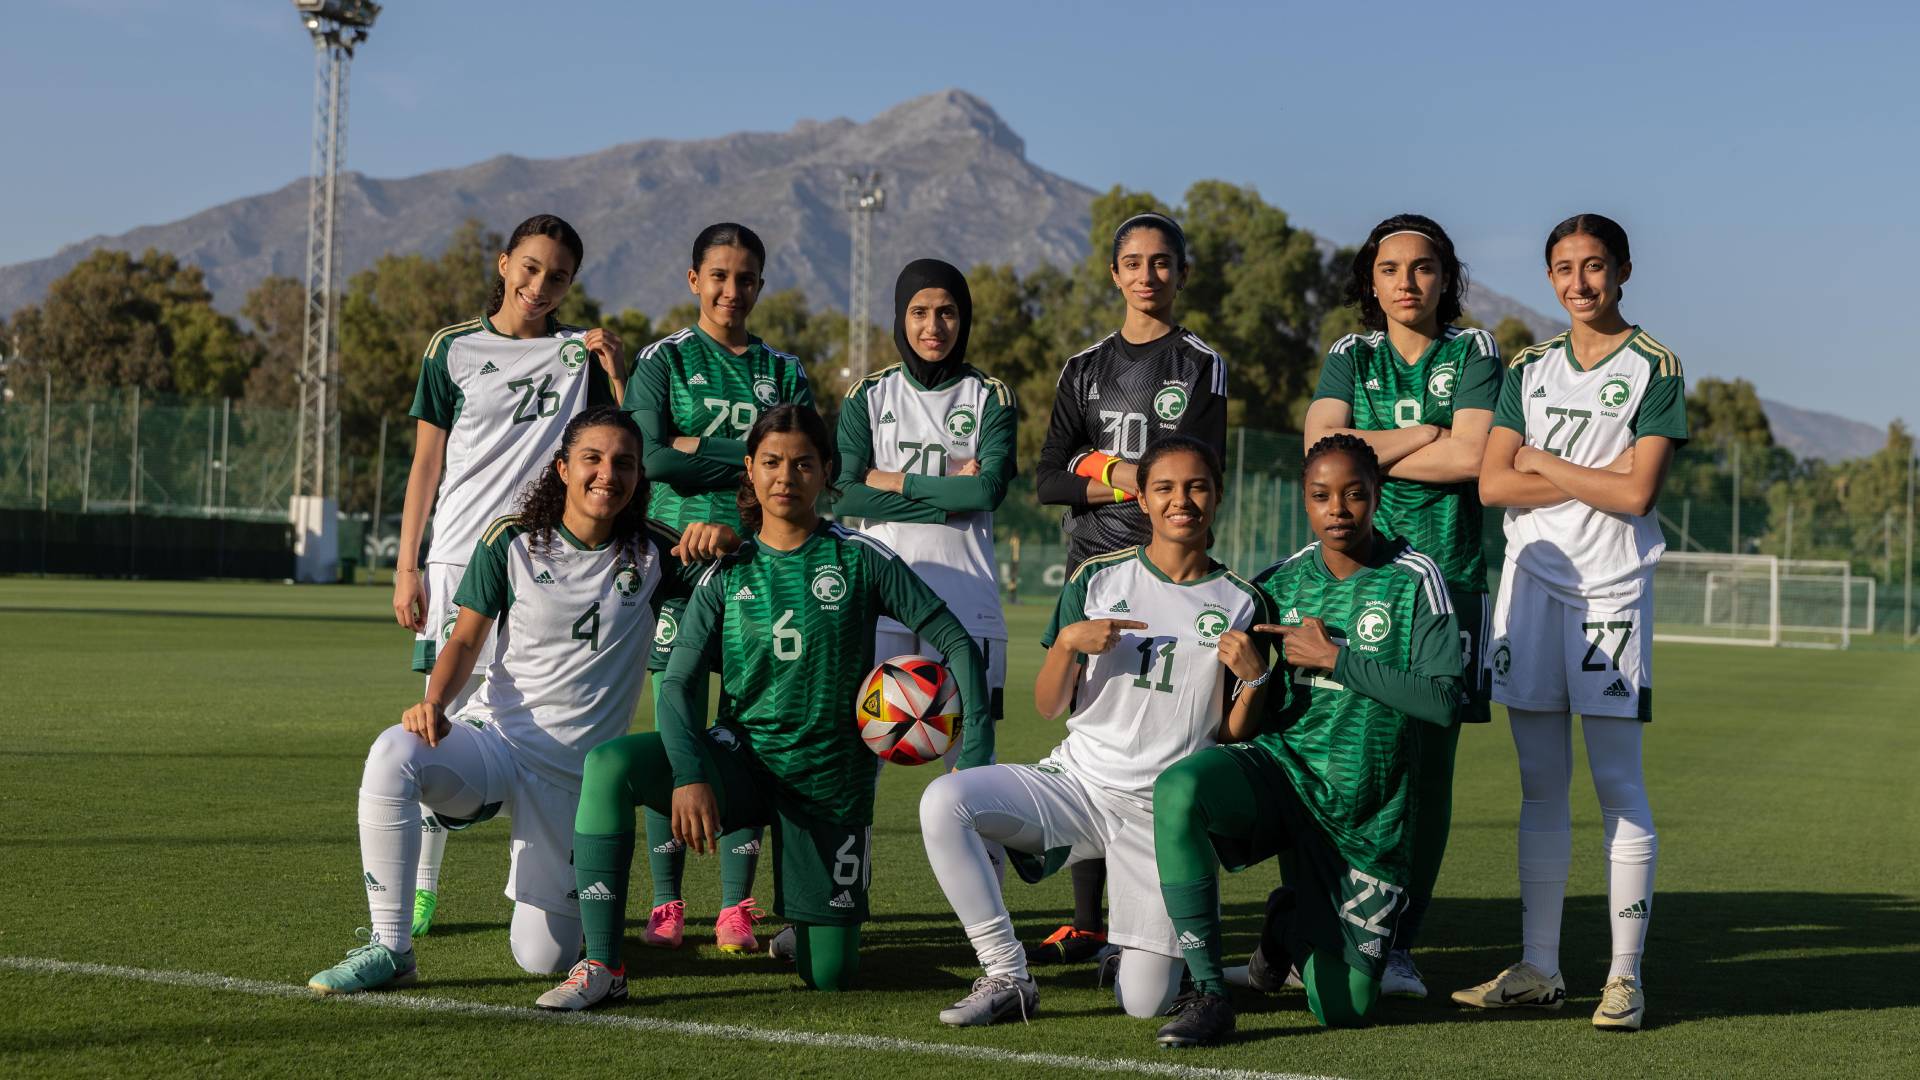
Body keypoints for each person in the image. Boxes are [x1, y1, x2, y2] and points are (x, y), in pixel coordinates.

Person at [536, 404, 994, 1010]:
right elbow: (676, 685)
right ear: (749, 470)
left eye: (803, 464)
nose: (786, 476)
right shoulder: (725, 573)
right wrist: (692, 774)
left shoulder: (861, 558)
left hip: (830, 779)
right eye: (772, 462)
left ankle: (806, 928)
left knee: (830, 976)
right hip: (741, 761)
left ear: (827, 472)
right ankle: (602, 965)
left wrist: (977, 754)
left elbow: (956, 640)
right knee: (610, 766)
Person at [308, 407, 703, 995]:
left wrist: (718, 540)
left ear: (640, 476)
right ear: (563, 467)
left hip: (578, 780)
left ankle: (467, 815)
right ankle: (391, 947)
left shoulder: (657, 554)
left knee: (542, 958)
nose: (607, 474)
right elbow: (465, 638)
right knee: (396, 753)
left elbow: (750, 575)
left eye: (624, 463)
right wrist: (435, 702)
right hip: (499, 741)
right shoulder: (512, 539)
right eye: (592, 459)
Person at [920, 436, 1272, 1027]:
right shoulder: (1097, 578)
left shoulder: (1242, 600)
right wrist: (1064, 644)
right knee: (944, 800)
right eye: (1164, 487)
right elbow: (1050, 704)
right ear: (1141, 498)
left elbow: (1232, 732)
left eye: (1196, 486)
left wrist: (1255, 679)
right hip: (1078, 784)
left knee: (1144, 1003)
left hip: (1161, 816)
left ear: (1218, 496)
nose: (1180, 500)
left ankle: (1129, 952)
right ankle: (1007, 974)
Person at [1150, 434, 1462, 1046]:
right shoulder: (1277, 585)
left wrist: (1335, 658)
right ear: (1305, 502)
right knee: (1181, 787)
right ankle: (1209, 992)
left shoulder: (1416, 578)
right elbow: (1243, 699)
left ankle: (1286, 928)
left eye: (1354, 494)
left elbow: (1444, 702)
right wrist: (1252, 677)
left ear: (1377, 497)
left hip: (1366, 819)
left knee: (1345, 1007)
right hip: (1285, 777)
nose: (1338, 509)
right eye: (1322, 496)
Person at [1454, 214, 1685, 1032]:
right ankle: (1540, 968)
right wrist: (1590, 470)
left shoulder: (1655, 366)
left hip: (1611, 592)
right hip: (1530, 589)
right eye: (1562, 268)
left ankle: (1624, 978)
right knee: (1540, 788)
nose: (1578, 283)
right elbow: (1490, 485)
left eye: (1593, 267)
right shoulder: (1529, 368)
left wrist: (1542, 462)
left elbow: (1636, 496)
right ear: (1550, 277)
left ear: (1622, 271)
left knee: (1619, 787)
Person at [388, 214, 626, 939]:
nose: (539, 285)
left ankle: (537, 879)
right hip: (459, 560)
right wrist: (408, 565)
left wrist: (617, 370)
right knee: (439, 725)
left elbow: (614, 445)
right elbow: (427, 463)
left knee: (529, 720)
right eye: (529, 267)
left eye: (557, 276)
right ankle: (422, 887)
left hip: (538, 570)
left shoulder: (578, 354)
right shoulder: (453, 350)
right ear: (502, 263)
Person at [1297, 213, 1501, 997]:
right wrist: (1424, 433)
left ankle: (1400, 945)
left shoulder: (1473, 350)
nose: (1406, 282)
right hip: (1355, 579)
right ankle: (1314, 925)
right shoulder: (1351, 355)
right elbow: (1324, 456)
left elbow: (1476, 456)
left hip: (1446, 586)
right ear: (1369, 282)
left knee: (1425, 771)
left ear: (1446, 278)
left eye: (1422, 268)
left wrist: (1370, 451)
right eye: (1390, 269)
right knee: (1339, 758)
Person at [1029, 211, 1229, 965]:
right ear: (1114, 274)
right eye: (1134, 264)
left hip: (1171, 576)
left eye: (1163, 263)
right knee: (1091, 738)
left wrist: (1115, 474)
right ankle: (1086, 919)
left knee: (1166, 746)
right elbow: (1048, 475)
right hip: (1094, 577)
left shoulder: (1200, 362)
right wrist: (1109, 473)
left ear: (1180, 272)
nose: (1148, 276)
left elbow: (1195, 469)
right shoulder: (1083, 367)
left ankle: (1155, 921)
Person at [623, 223, 814, 954]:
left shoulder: (784, 370)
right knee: (680, 737)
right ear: (693, 279)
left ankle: (738, 906)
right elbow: (655, 462)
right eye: (719, 276)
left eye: (746, 279)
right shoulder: (664, 360)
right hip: (672, 569)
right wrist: (748, 460)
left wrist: (700, 446)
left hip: (756, 572)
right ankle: (668, 904)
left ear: (760, 286)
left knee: (747, 736)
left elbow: (799, 462)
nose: (732, 291)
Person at [835, 258, 1017, 767]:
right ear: (900, 316)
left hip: (966, 597)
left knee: (970, 764)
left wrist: (893, 480)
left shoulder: (990, 396)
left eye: (947, 313)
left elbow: (985, 493)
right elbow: (843, 495)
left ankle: (985, 853)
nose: (933, 327)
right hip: (880, 602)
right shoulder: (868, 395)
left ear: (964, 320)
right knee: (860, 755)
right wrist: (944, 500)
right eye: (918, 312)